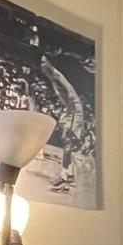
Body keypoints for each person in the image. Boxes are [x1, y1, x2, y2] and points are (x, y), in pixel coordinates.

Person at [39, 55, 87, 193]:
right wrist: (49, 72)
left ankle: (65, 178)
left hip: (74, 112)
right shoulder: (61, 90)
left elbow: (63, 82)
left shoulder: (72, 96)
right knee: (67, 146)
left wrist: (51, 69)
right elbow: (59, 85)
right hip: (71, 110)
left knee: (68, 145)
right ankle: (69, 175)